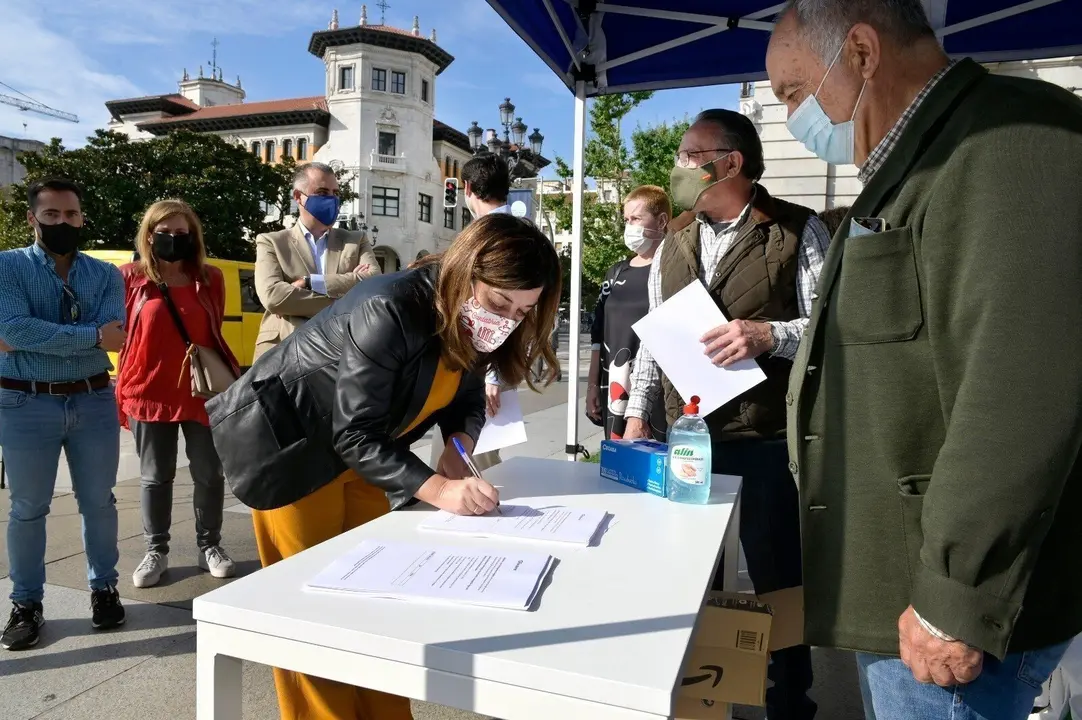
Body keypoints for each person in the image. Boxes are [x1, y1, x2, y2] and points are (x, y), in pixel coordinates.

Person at [766, 2, 1082, 718]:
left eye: (791, 92)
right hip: (903, 589)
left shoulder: (1014, 139)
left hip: (947, 609)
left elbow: (1022, 386)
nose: (791, 118)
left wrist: (956, 594)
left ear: (862, 54)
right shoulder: (917, 163)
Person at [207, 213, 561, 720]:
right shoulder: (388, 307)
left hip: (366, 456)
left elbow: (466, 395)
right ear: (464, 271)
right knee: (311, 609)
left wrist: (458, 445)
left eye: (524, 310)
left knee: (372, 601)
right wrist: (439, 490)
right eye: (500, 301)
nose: (507, 319)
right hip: (294, 454)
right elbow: (353, 432)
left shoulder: (477, 315)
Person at [623, 110, 830, 720]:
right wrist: (637, 416)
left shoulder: (798, 230)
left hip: (765, 438)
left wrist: (770, 334)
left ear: (730, 162)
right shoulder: (674, 241)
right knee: (698, 577)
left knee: (776, 579)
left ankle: (791, 700)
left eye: (691, 154)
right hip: (690, 436)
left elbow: (829, 326)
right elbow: (654, 339)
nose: (678, 166)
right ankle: (712, 695)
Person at [0, 178, 127, 651]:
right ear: (32, 218)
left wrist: (40, 337)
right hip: (24, 400)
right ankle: (26, 603)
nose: (63, 223)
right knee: (28, 508)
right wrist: (91, 338)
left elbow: (118, 333)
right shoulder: (7, 267)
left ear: (81, 218)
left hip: (93, 398)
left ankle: (104, 588)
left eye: (71, 215)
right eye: (51, 215)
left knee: (99, 501)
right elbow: (13, 329)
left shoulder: (104, 275)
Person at [115, 199, 241, 589]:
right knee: (155, 476)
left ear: (194, 237)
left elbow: (211, 329)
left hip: (201, 391)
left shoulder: (211, 278)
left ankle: (211, 545)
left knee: (209, 473)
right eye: (164, 233)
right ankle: (157, 549)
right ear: (149, 236)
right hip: (148, 389)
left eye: (182, 233)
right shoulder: (129, 277)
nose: (173, 239)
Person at [253, 162, 379, 360]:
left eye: (335, 193)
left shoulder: (356, 240)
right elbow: (273, 297)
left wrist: (310, 282)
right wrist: (345, 300)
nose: (331, 199)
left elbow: (372, 281)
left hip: (340, 353)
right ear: (298, 197)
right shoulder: (271, 242)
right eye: (322, 192)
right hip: (284, 354)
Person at [586, 185, 670, 440]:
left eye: (636, 218)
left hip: (659, 392)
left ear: (662, 221)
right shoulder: (615, 273)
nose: (629, 226)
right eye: (626, 220)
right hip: (615, 390)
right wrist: (592, 385)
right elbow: (597, 335)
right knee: (620, 464)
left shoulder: (673, 271)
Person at [455, 153, 515, 470]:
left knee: (477, 463)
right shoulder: (519, 231)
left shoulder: (493, 235)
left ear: (467, 188)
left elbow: (505, 309)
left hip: (482, 368)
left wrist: (493, 374)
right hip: (474, 366)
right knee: (467, 458)